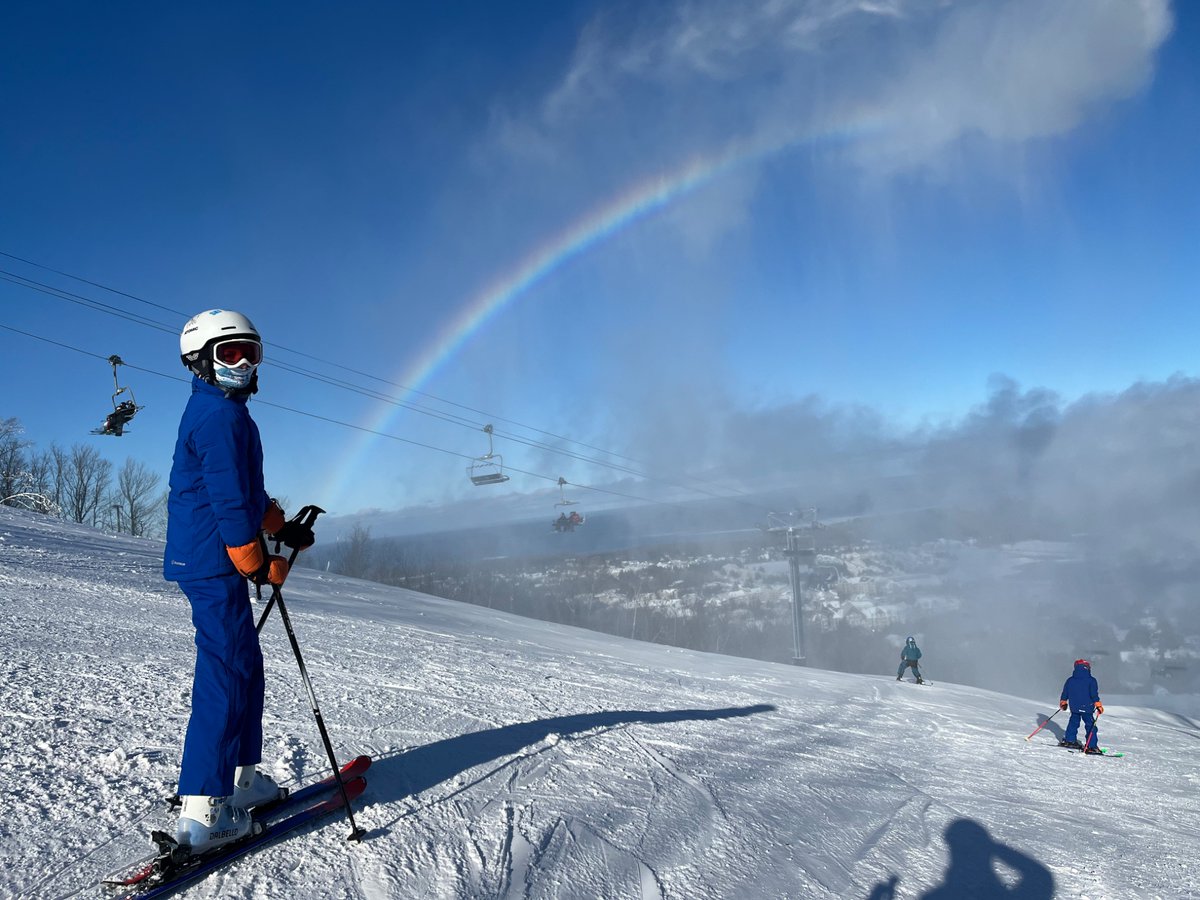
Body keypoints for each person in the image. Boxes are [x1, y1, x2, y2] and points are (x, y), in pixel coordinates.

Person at [163, 309, 291, 853]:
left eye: (250, 352)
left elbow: (246, 490)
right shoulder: (218, 415)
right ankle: (201, 809)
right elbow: (229, 499)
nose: (242, 363)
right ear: (200, 361)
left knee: (244, 666)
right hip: (212, 560)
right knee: (224, 672)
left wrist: (280, 526)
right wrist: (255, 561)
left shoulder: (226, 411)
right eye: (229, 353)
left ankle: (241, 779)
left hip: (214, 557)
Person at [1058, 658, 1104, 752]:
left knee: (1073, 723)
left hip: (1074, 707)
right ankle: (1091, 746)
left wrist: (1063, 702)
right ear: (1087, 668)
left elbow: (1065, 693)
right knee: (1090, 725)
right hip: (1087, 708)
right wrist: (1098, 705)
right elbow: (1094, 694)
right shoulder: (1091, 680)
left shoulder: (1070, 680)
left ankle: (1070, 740)